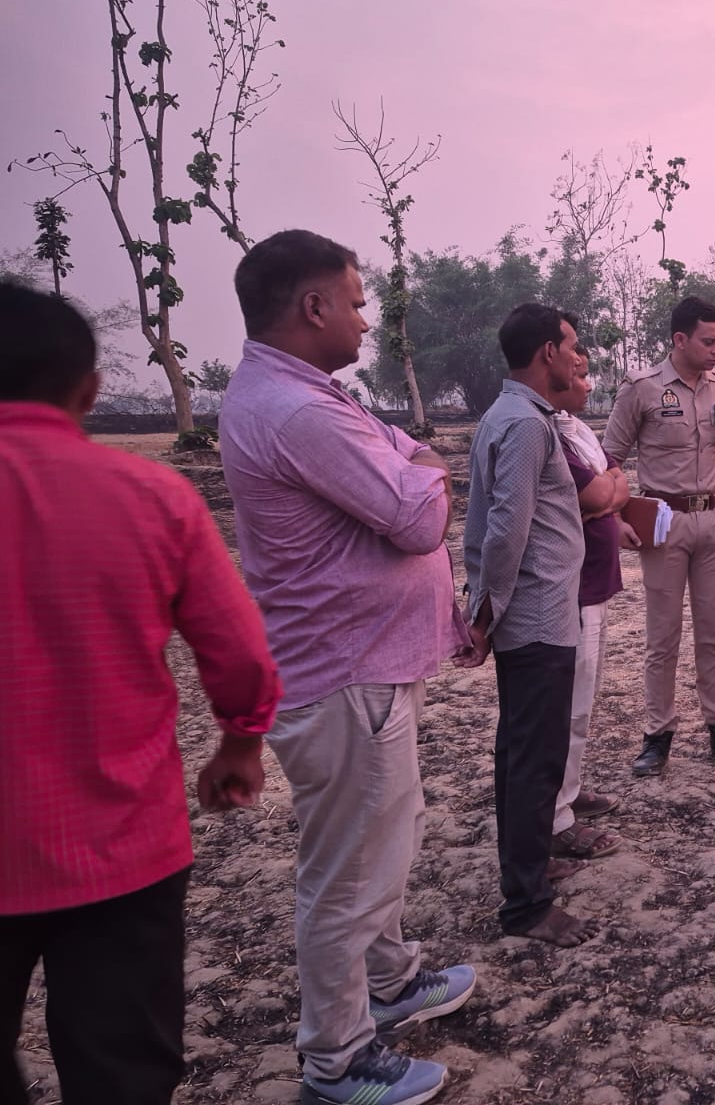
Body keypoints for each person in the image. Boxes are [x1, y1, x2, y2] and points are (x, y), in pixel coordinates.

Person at [1, 285, 280, 1105]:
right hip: (123, 845)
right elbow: (240, 654)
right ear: (90, 391)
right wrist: (240, 744)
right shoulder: (153, 497)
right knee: (122, 1071)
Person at [220, 230, 474, 1104]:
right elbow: (417, 517)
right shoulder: (297, 412)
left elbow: (400, 451)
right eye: (358, 303)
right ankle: (336, 1057)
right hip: (343, 671)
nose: (367, 320)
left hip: (362, 666)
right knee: (349, 871)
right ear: (313, 305)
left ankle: (391, 980)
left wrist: (412, 460)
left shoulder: (310, 395)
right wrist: (429, 466)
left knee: (383, 840)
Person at [458, 305, 603, 947]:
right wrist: (483, 614)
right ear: (547, 352)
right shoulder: (524, 425)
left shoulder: (512, 415)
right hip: (537, 616)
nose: (578, 358)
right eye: (572, 346)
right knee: (533, 758)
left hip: (539, 612)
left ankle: (530, 866)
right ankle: (526, 904)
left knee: (523, 751)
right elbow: (506, 530)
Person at [601, 296, 715, 774]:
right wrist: (615, 518)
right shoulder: (642, 389)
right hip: (664, 523)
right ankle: (658, 734)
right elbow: (609, 458)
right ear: (679, 339)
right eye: (708, 341)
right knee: (663, 635)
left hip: (713, 522)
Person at [548, 337, 627, 860]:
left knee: (583, 700)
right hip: (569, 588)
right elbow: (600, 493)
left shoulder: (578, 432)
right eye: (579, 376)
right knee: (567, 704)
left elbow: (616, 486)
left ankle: (568, 791)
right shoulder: (549, 435)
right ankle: (554, 816)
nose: (587, 383)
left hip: (594, 581)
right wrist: (606, 494)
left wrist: (607, 495)